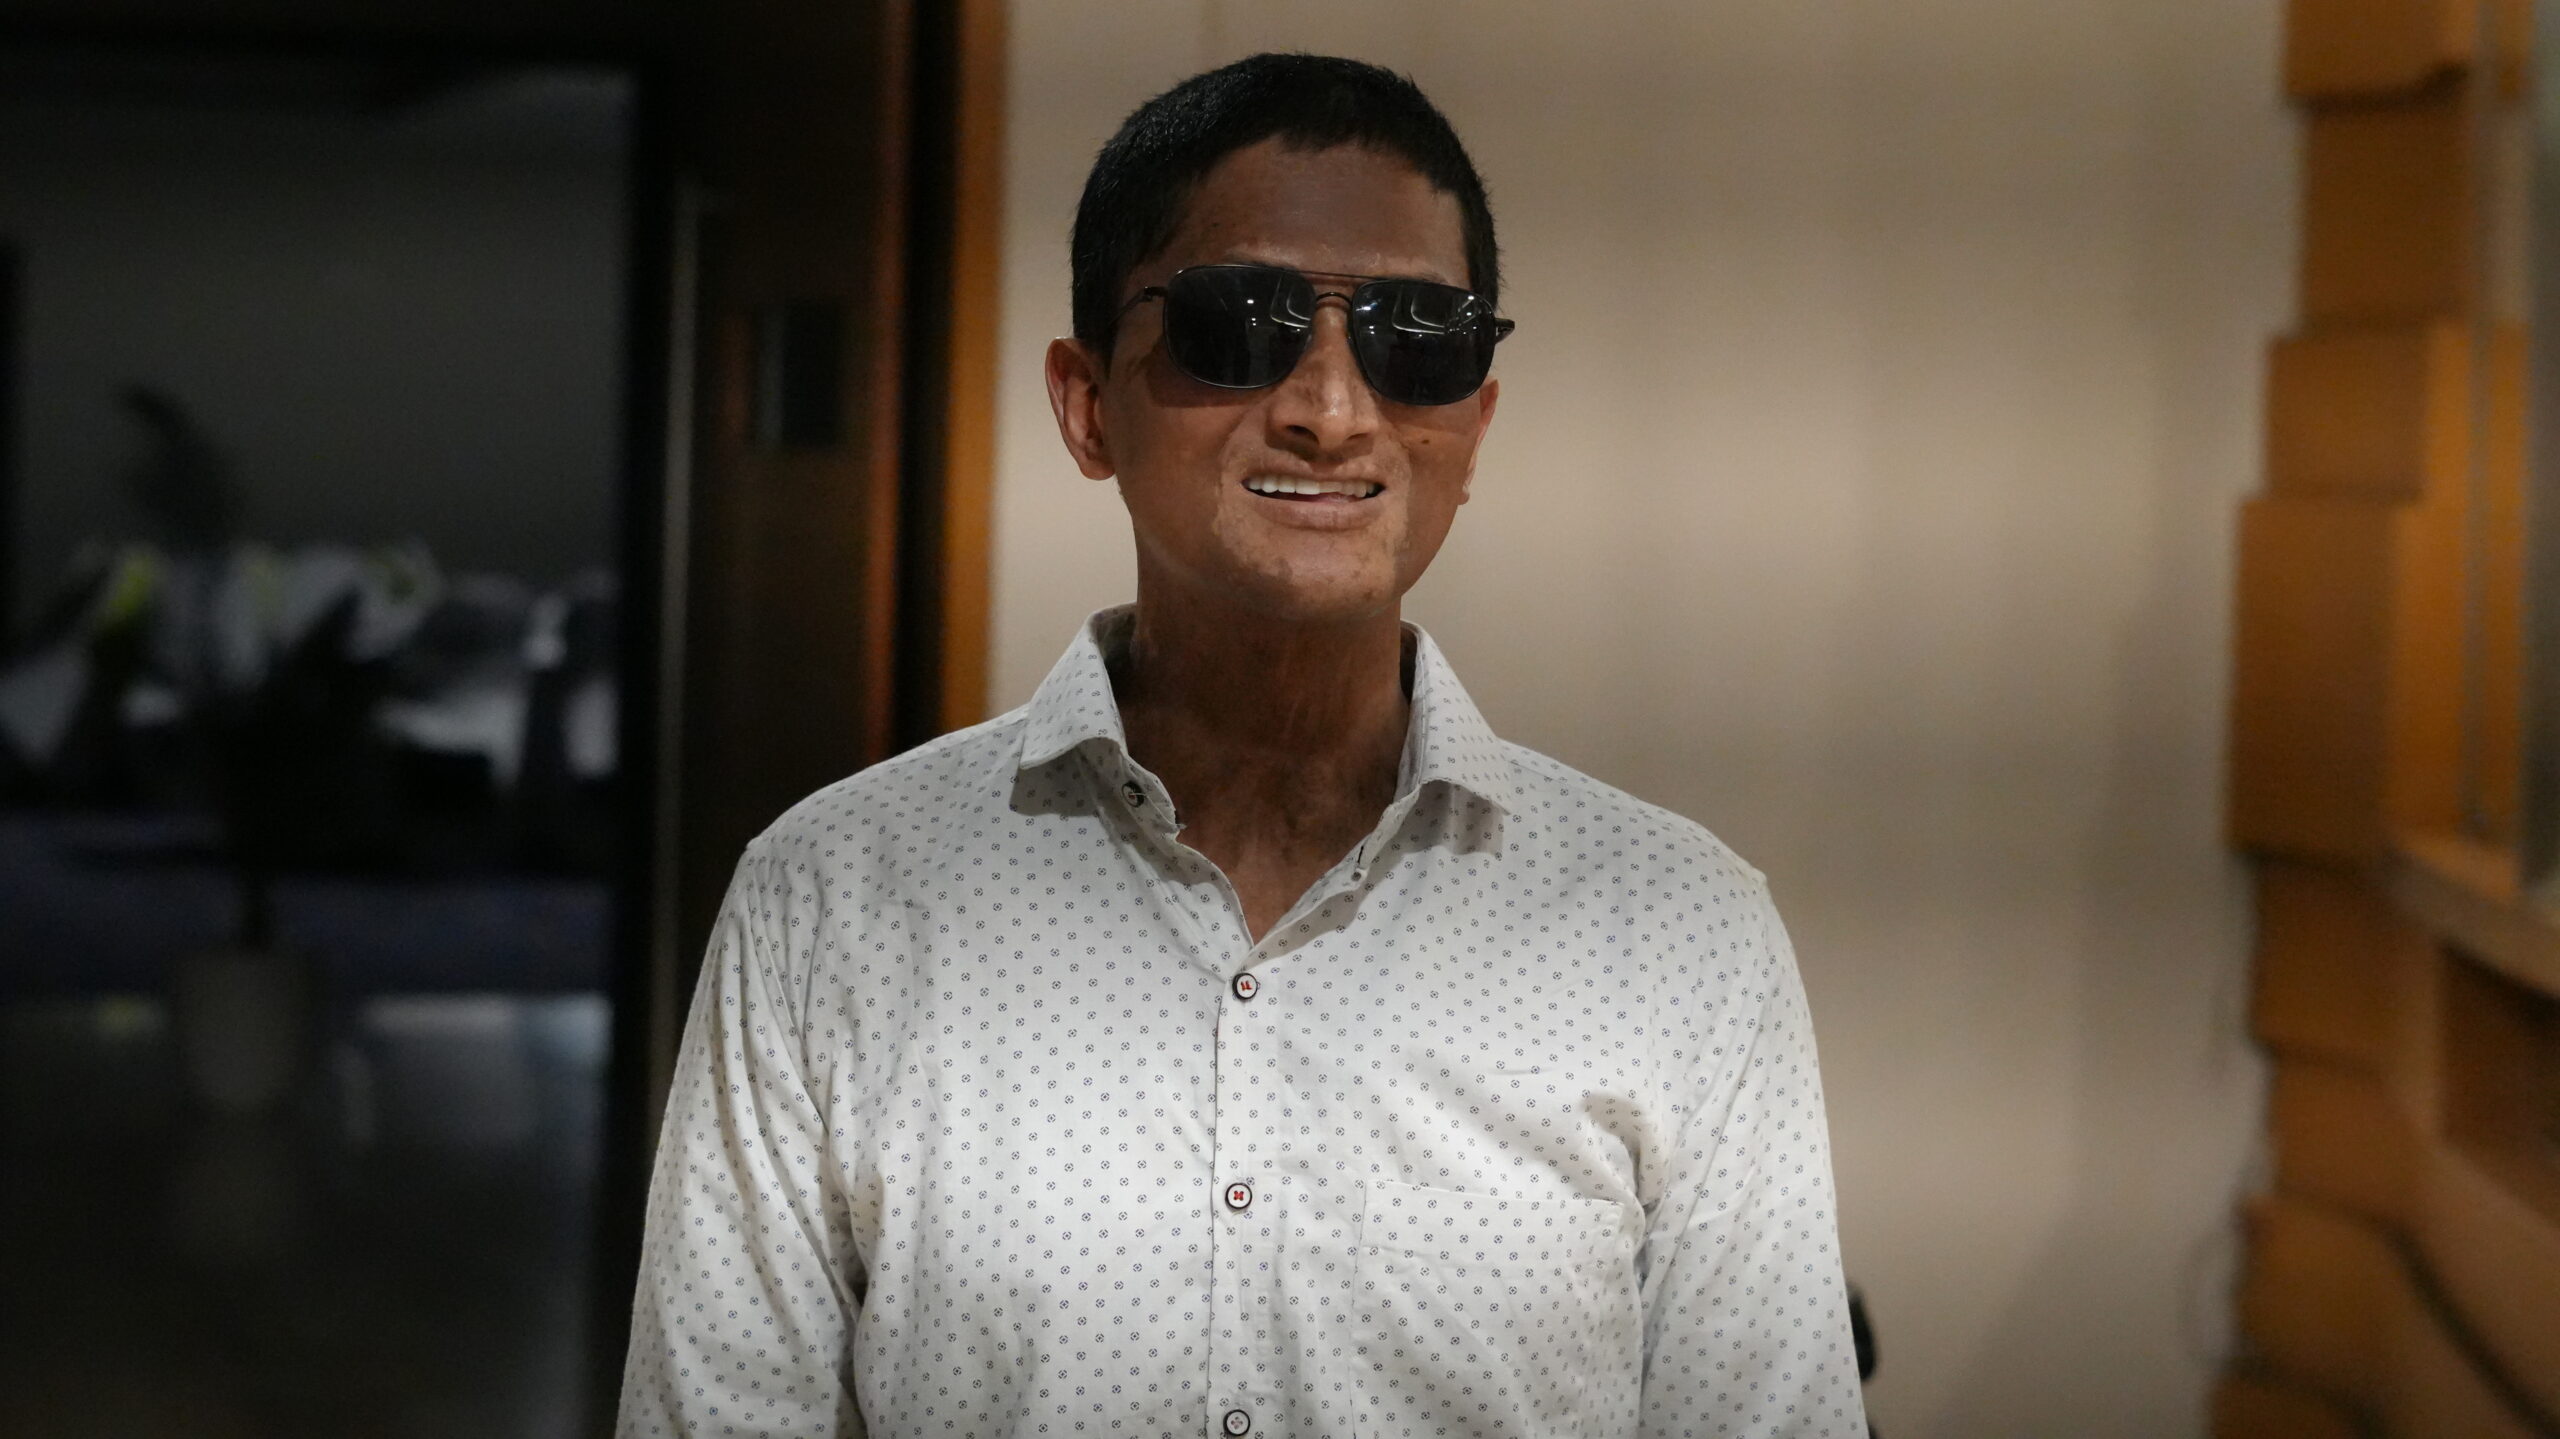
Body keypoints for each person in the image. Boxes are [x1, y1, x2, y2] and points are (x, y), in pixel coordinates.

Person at [619, 52, 1867, 1439]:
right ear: (1088, 406)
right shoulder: (831, 901)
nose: (1331, 408)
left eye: (1417, 336)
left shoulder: (1681, 935)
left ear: (1476, 421)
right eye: (1237, 323)